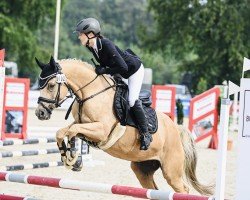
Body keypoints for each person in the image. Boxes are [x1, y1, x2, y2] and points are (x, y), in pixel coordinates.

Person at [74, 17, 152, 150]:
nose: (79, 37)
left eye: (80, 34)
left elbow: (124, 68)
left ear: (90, 34)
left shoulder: (106, 44)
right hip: (120, 72)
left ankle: (146, 134)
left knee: (132, 100)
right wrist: (103, 69)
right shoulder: (91, 46)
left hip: (133, 71)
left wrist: (105, 70)